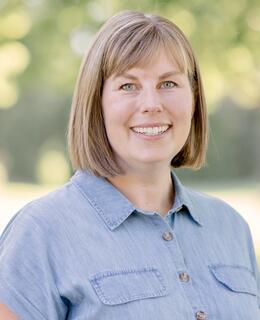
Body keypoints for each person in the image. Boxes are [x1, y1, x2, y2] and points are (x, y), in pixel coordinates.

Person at [0, 10, 259, 320]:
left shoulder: (230, 227)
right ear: (96, 104)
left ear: (193, 99)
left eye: (168, 84)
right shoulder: (40, 232)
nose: (151, 103)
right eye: (128, 86)